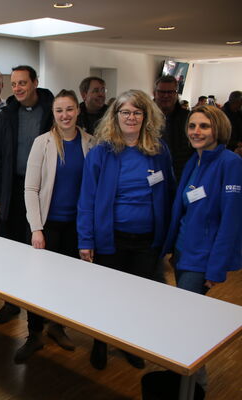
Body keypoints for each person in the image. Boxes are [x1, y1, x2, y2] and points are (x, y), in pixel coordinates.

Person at [78, 89, 176, 371]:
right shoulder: (101, 153)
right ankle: (100, 343)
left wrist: (167, 240)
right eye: (125, 112)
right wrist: (86, 239)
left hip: (147, 241)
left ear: (146, 116)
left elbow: (168, 193)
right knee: (106, 296)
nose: (131, 117)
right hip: (111, 239)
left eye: (137, 112)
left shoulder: (158, 150)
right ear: (115, 116)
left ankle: (129, 344)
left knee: (139, 300)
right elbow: (87, 200)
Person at [22, 89, 95, 360]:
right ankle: (34, 334)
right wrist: (36, 228)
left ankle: (57, 327)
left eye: (69, 109)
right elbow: (30, 188)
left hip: (76, 228)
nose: (65, 115)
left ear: (78, 111)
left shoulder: (91, 143)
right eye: (59, 110)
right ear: (53, 114)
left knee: (67, 284)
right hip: (48, 226)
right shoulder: (42, 143)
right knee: (38, 284)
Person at [0, 65, 54, 336]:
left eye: (22, 83)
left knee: (38, 254)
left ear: (35, 83)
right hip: (12, 190)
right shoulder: (6, 114)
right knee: (11, 252)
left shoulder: (51, 111)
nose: (17, 88)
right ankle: (11, 303)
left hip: (42, 191)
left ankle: (39, 316)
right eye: (13, 84)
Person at [163, 105, 241, 295]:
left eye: (204, 126)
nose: (196, 132)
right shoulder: (194, 161)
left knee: (185, 312)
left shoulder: (230, 163)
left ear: (218, 129)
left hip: (202, 257)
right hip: (182, 250)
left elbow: (231, 222)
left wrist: (216, 266)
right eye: (192, 126)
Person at [153, 75, 193, 181]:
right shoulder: (143, 116)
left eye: (170, 92)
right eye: (162, 92)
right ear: (154, 93)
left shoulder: (188, 118)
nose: (166, 96)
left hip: (180, 176)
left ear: (176, 94)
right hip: (151, 174)